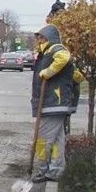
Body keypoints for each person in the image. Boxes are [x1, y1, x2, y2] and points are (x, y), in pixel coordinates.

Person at [31, 24, 83, 182]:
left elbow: (64, 57)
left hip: (53, 102)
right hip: (53, 103)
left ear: (49, 37)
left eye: (41, 37)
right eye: (38, 37)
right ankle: (56, 170)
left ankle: (41, 170)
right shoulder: (45, 53)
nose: (39, 40)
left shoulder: (56, 49)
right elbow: (76, 76)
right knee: (57, 140)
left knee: (42, 139)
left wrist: (47, 72)